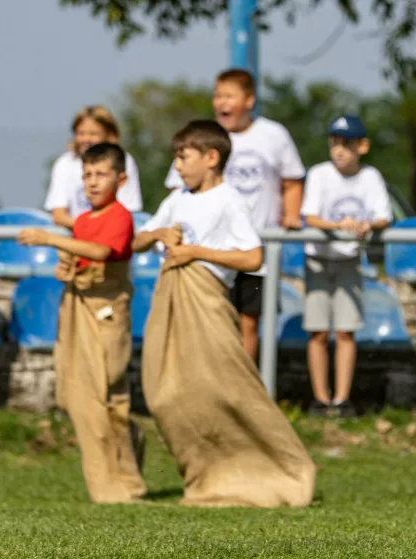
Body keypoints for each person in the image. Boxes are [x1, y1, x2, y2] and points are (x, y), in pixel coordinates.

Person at [135, 120, 315, 507]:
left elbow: (252, 257)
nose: (177, 166)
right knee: (166, 395)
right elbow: (138, 240)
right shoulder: (176, 200)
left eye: (183, 157)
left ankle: (285, 472)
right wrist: (158, 235)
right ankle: (208, 475)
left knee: (229, 390)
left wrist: (196, 252)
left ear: (211, 158)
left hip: (208, 300)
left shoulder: (229, 201)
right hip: (170, 296)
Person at [18, 143, 145, 503]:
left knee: (109, 393)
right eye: (87, 174)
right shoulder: (84, 220)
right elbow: (81, 259)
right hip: (79, 309)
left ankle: (125, 474)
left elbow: (102, 252)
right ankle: (107, 482)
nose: (92, 181)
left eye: (101, 174)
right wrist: (66, 265)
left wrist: (49, 238)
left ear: (121, 180)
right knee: (82, 395)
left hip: (107, 313)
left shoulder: (120, 216)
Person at [165, 69, 306, 361]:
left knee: (248, 320)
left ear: (249, 100)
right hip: (210, 247)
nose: (222, 103)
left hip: (254, 249)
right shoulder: (202, 137)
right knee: (212, 318)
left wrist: (291, 214)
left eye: (229, 96)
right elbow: (179, 187)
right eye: (218, 96)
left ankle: (243, 380)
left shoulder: (274, 135)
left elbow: (292, 181)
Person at [301, 115, 393, 418]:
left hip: (349, 260)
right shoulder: (319, 174)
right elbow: (311, 217)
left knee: (345, 331)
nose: (339, 150)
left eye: (346, 144)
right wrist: (340, 225)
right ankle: (319, 398)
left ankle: (342, 400)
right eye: (334, 143)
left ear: (362, 146)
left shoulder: (371, 177)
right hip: (318, 260)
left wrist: (367, 225)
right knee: (317, 331)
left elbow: (383, 216)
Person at [45, 106, 143, 228]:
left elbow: (129, 210)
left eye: (94, 134)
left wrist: (97, 231)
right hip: (75, 233)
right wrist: (88, 229)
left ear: (109, 134)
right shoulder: (64, 163)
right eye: (81, 133)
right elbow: (58, 214)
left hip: (112, 231)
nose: (86, 139)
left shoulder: (124, 161)